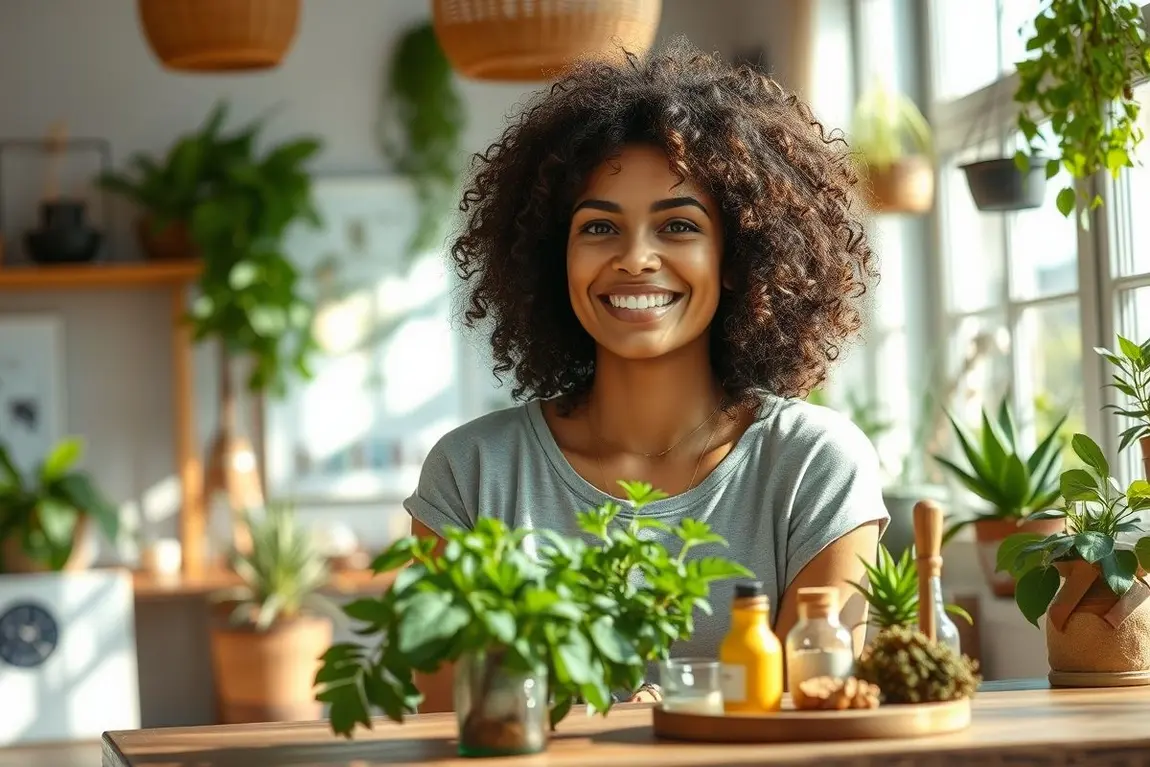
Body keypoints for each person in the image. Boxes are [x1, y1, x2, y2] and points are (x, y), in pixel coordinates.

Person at [403, 38, 888, 711]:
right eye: (599, 228)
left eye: (678, 226)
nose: (635, 258)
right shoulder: (470, 473)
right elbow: (453, 721)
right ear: (553, 257)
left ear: (739, 254)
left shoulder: (815, 466)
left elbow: (809, 712)